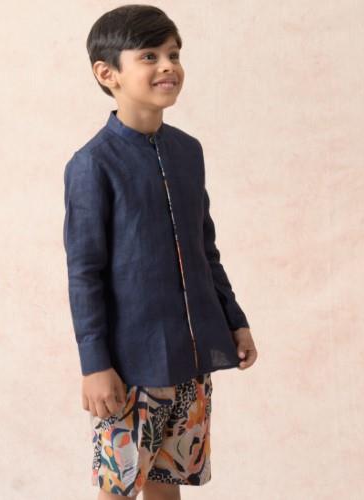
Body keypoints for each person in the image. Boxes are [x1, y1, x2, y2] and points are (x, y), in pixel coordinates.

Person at [62, 5, 258, 499]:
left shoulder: (187, 152)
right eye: (149, 55)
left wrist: (234, 320)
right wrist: (94, 364)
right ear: (107, 73)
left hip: (190, 358)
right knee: (119, 490)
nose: (168, 65)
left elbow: (204, 248)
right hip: (130, 367)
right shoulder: (92, 165)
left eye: (173, 54)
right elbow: (85, 273)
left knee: (167, 486)